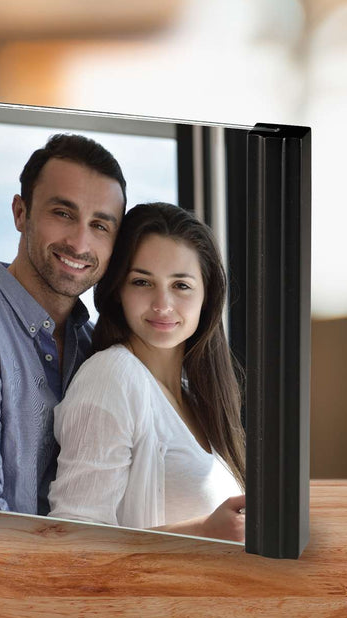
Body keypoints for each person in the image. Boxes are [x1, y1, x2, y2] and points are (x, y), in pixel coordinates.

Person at [48, 202, 246, 542]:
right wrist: (202, 532)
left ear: (207, 295)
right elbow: (73, 541)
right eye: (142, 282)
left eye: (181, 285)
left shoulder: (195, 395)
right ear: (118, 292)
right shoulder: (112, 377)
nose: (162, 304)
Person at [0, 134, 127, 515]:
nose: (79, 243)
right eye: (63, 214)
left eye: (100, 226)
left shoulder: (97, 350)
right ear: (20, 213)